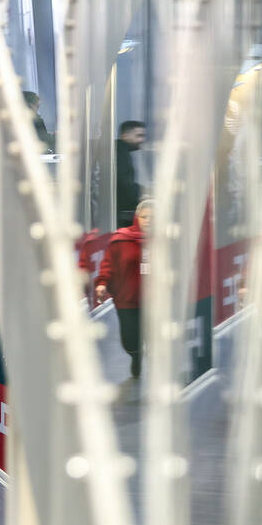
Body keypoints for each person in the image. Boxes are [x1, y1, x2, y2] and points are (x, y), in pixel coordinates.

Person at [94, 199, 153, 378]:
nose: (148, 221)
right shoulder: (121, 239)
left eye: (153, 217)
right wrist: (102, 283)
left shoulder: (165, 240)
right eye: (144, 217)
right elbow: (108, 264)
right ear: (137, 217)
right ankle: (136, 356)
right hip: (127, 299)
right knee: (129, 339)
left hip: (154, 299)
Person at [116, 120, 146, 228]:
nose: (142, 140)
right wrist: (143, 193)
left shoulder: (120, 150)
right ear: (125, 136)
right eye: (139, 136)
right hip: (119, 213)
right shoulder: (120, 151)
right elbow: (124, 182)